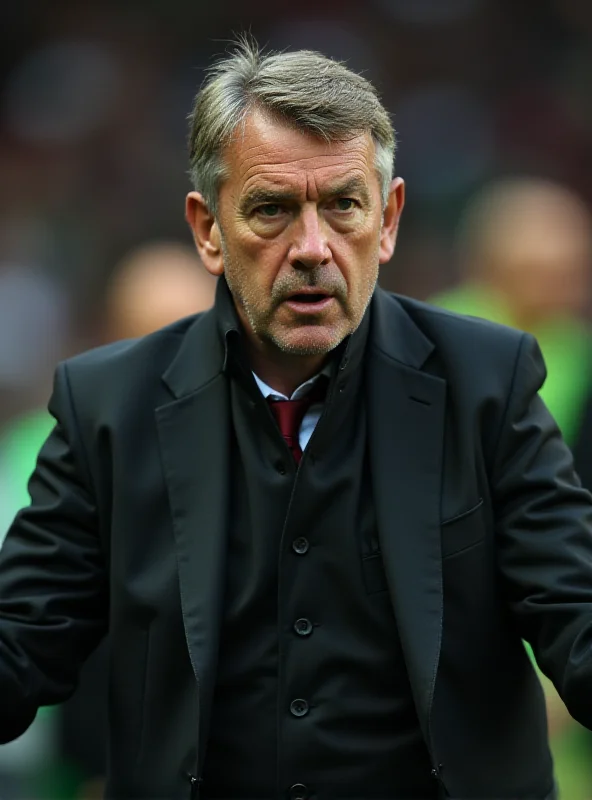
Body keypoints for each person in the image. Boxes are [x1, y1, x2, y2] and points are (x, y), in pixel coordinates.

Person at [1, 38, 592, 800]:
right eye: (272, 211)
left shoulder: (487, 383)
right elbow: (19, 647)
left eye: (344, 204)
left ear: (388, 219)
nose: (312, 249)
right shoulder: (109, 408)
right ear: (208, 229)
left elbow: (577, 614)